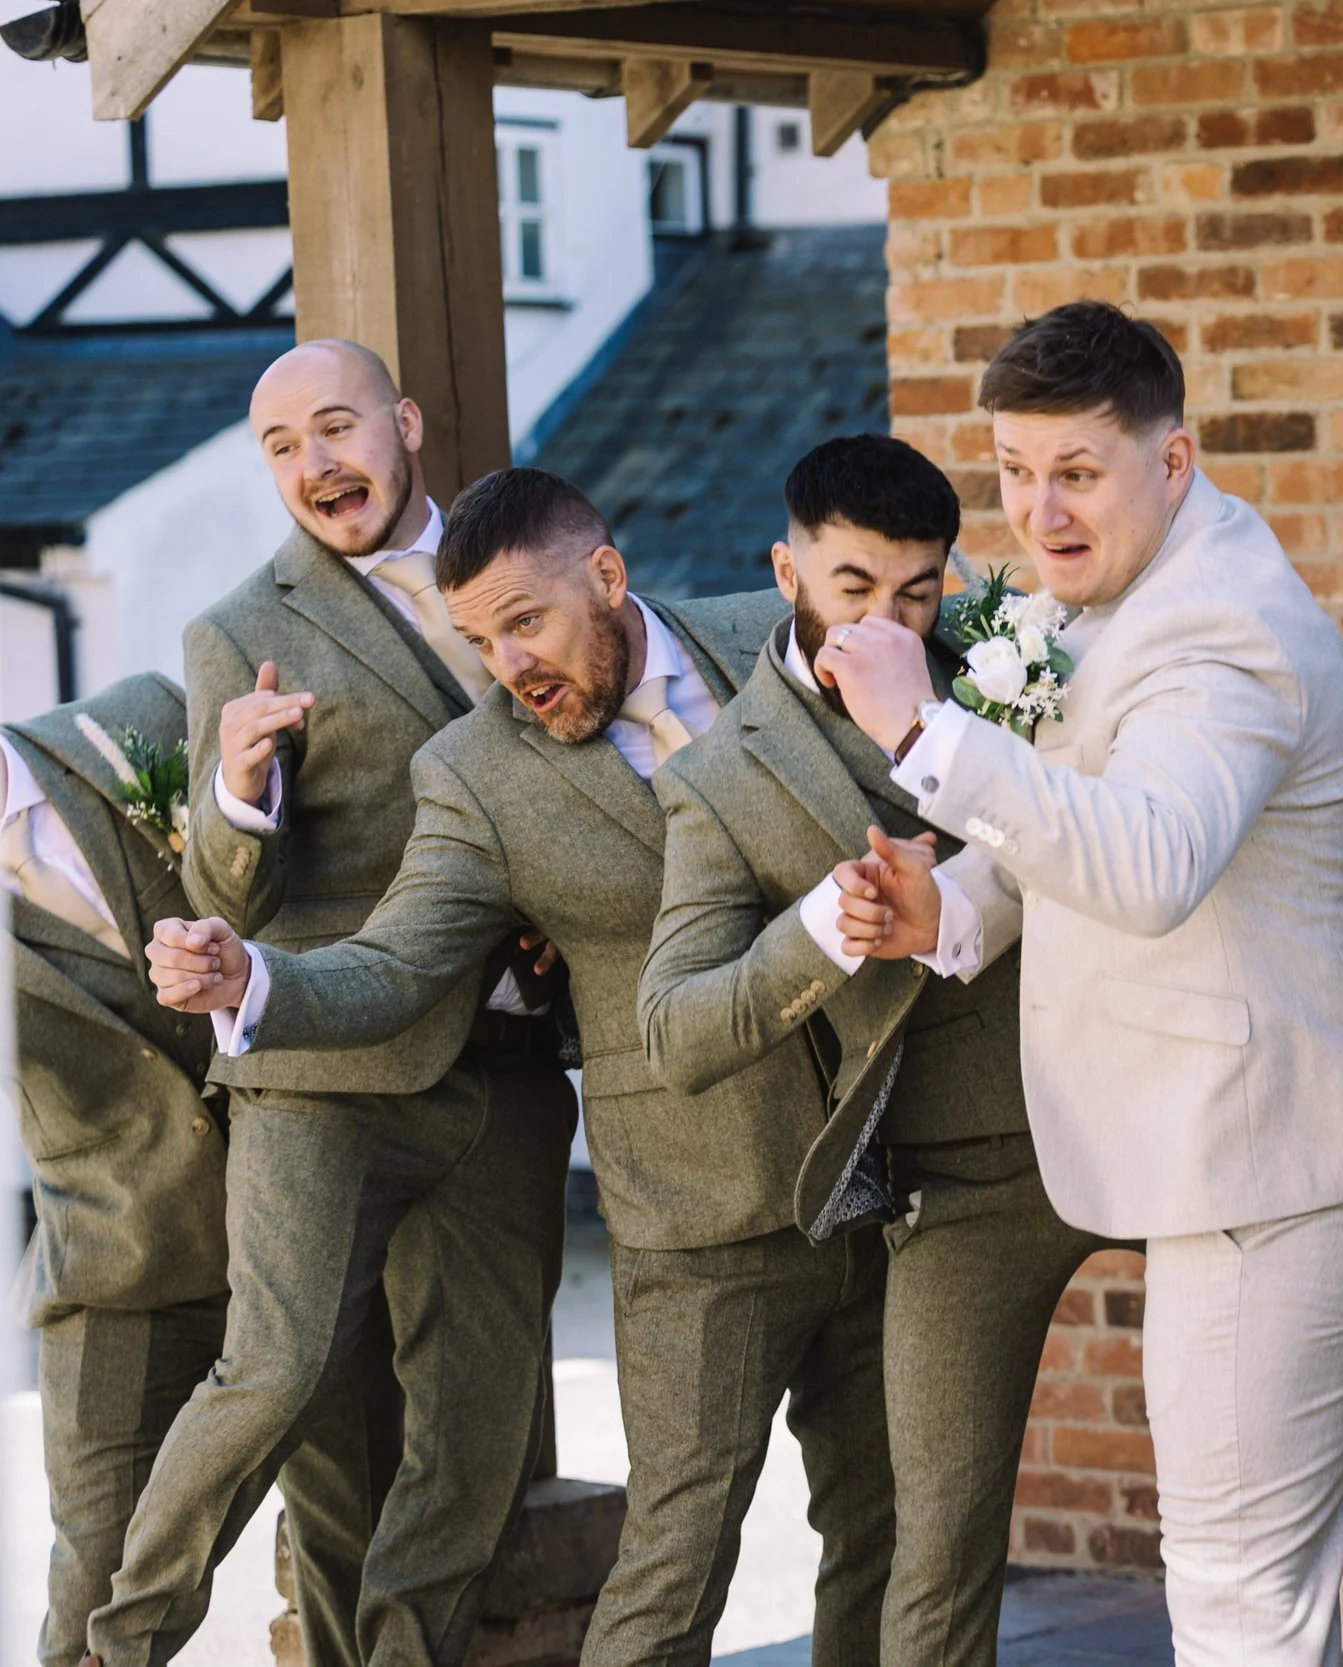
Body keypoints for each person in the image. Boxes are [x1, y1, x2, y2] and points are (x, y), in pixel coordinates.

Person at [821, 301, 1343, 1665]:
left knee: (1236, 1582)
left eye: (1078, 470)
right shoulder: (1131, 588)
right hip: (1321, 1127)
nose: (1040, 510)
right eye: (1015, 471)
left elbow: (1148, 862)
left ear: (1171, 459)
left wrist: (923, 731)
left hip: (1270, 1161)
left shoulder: (1214, 632)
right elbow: (1084, 810)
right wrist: (949, 907)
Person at [141, 465, 890, 1666]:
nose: (508, 665)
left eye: (526, 622)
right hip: (696, 1202)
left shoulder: (773, 637)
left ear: (607, 573)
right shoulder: (475, 773)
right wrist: (255, 979)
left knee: (886, 1534)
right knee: (673, 1562)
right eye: (481, 641)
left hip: (882, 1163)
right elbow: (395, 962)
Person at [86, 341, 577, 1667]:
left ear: (404, 423)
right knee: (278, 1374)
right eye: (282, 446)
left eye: (338, 427)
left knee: (475, 1430)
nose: (317, 464)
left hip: (510, 1066)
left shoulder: (520, 568)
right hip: (321, 1067)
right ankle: (115, 1644)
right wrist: (241, 787)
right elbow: (223, 886)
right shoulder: (239, 628)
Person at [636, 433, 1106, 1666]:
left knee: (1342, 1390)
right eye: (853, 587)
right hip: (962, 1177)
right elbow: (677, 1029)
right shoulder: (719, 778)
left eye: (917, 591)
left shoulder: (1017, 663)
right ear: (785, 569)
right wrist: (819, 929)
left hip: (1126, 1102)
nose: (888, 624)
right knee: (934, 1544)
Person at [5, 674, 382, 1667]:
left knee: (353, 1539)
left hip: (309, 1187)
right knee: (95, 1593)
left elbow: (326, 854)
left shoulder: (133, 724)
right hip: (116, 1250)